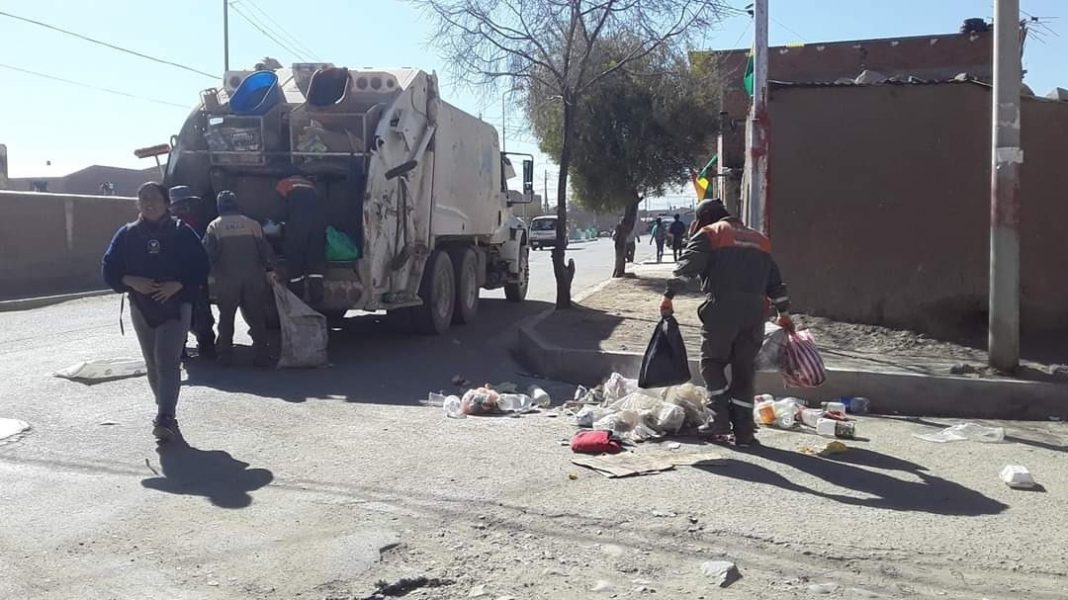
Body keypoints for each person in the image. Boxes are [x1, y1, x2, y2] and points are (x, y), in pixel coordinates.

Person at [659, 199, 792, 448]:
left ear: (707, 216)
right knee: (744, 370)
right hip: (755, 313)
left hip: (722, 310)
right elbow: (775, 281)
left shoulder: (710, 234)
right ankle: (744, 432)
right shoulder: (760, 240)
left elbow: (686, 268)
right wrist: (784, 312)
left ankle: (718, 419)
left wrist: (668, 296)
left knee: (712, 363)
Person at [102, 182, 210, 442]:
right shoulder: (127, 234)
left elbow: (202, 264)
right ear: (138, 204)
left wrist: (179, 283)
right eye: (143, 199)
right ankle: (165, 409)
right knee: (152, 362)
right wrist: (130, 280)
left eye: (154, 198)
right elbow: (109, 267)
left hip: (176, 305)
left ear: (166, 203)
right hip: (141, 306)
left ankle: (165, 416)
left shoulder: (182, 232)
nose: (149, 203)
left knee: (166, 359)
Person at [202, 190, 275, 367]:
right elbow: (266, 252)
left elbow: (208, 254)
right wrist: (271, 269)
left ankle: (225, 355)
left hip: (227, 280)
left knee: (226, 317)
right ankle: (262, 355)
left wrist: (205, 276)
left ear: (219, 206)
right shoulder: (253, 224)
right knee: (256, 316)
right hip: (253, 279)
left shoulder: (215, 226)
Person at [169, 185, 216, 359]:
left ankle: (202, 345)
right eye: (180, 204)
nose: (184, 207)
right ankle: (199, 345)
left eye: (186, 204)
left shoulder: (191, 223)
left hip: (189, 276)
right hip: (183, 276)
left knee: (192, 312)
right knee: (187, 312)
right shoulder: (176, 225)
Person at [277, 176, 327, 304]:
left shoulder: (290, 193)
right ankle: (317, 298)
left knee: (295, 262)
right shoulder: (313, 193)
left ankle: (296, 298)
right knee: (315, 261)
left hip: (297, 231)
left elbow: (284, 215)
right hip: (317, 230)